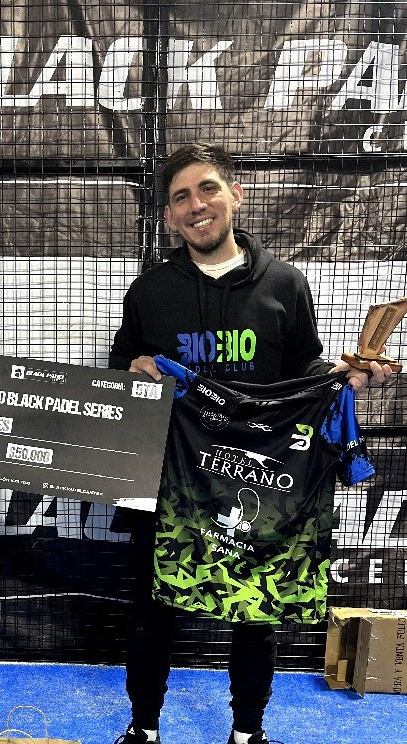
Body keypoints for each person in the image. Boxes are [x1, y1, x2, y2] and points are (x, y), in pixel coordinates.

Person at [108, 142, 392, 744]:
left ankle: (247, 734)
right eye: (181, 197)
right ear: (168, 217)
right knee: (153, 607)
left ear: (235, 195)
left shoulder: (285, 283)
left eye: (208, 188)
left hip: (259, 475)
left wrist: (346, 379)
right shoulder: (149, 291)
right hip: (175, 478)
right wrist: (134, 372)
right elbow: (119, 373)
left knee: (257, 613)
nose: (196, 205)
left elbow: (305, 371)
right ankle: (144, 729)